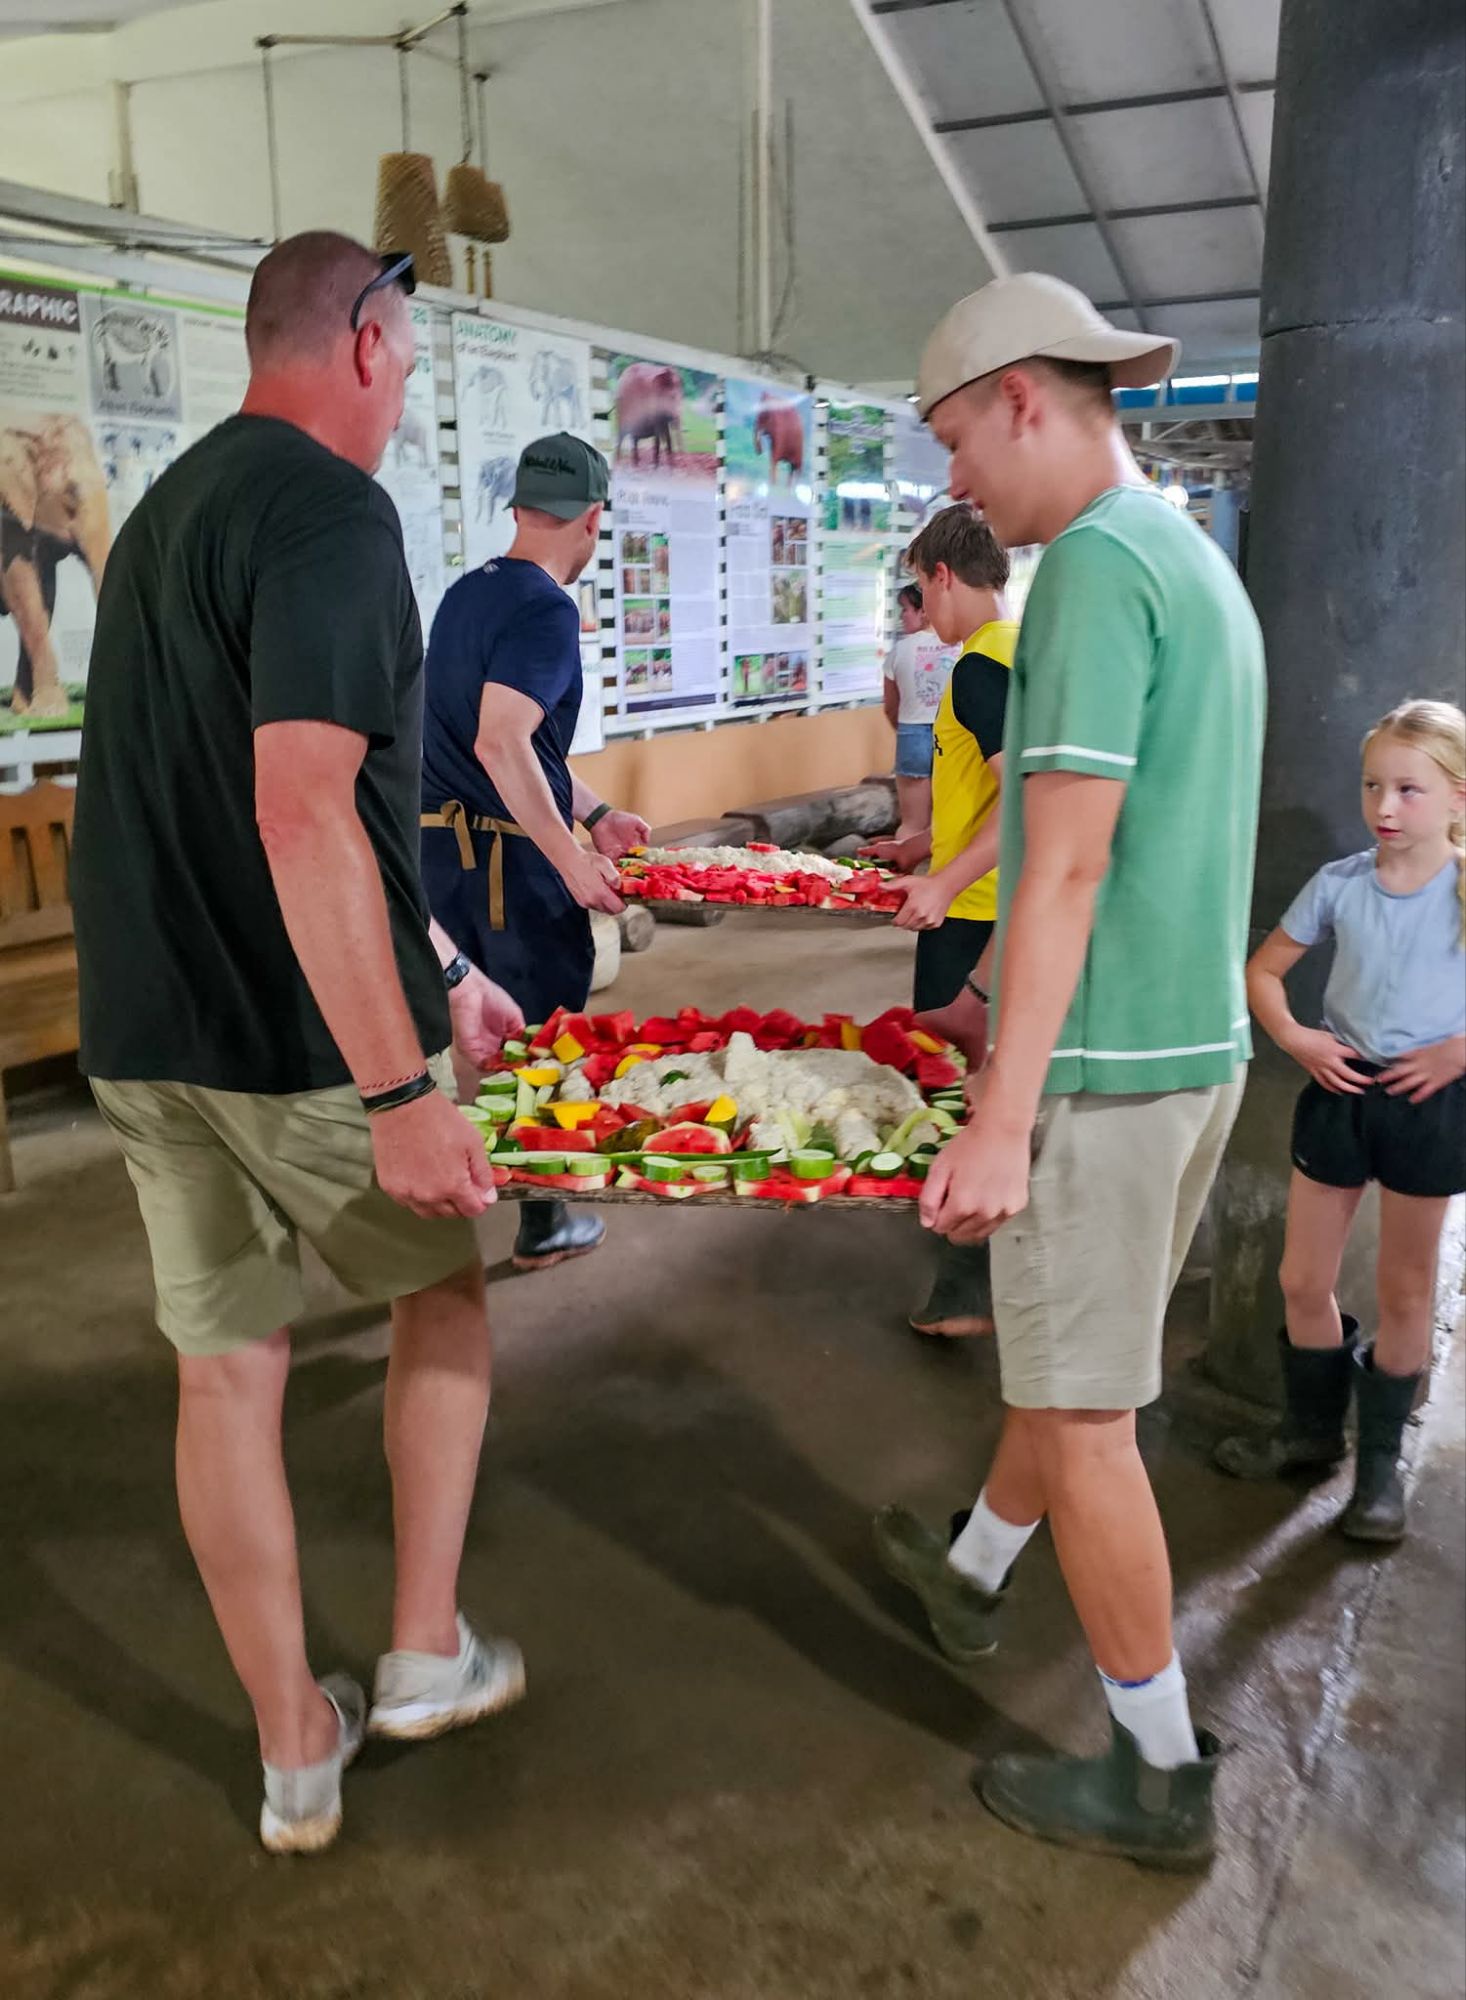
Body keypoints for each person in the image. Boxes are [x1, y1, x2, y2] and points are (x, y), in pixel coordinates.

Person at [72, 232, 528, 1856]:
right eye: (407, 365)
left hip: (144, 1029)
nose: (404, 400)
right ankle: (420, 1652)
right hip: (298, 1042)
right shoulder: (333, 512)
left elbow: (241, 795)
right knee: (445, 1292)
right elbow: (301, 810)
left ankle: (294, 1754)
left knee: (226, 1374)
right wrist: (403, 1088)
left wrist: (444, 963)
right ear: (363, 346)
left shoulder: (167, 516)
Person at [873, 271, 1265, 1868]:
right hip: (1186, 1049)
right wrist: (989, 1010)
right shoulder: (1187, 557)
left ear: (1024, 400)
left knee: (1089, 1420)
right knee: (1069, 1370)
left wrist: (1002, 1110)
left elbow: (1071, 863)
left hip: (1099, 1079)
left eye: (957, 439)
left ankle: (1155, 1774)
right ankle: (971, 1568)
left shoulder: (1097, 568)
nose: (955, 480)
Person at [1215, 699, 1465, 1540]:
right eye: (1372, 786)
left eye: (1409, 789)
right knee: (1300, 1279)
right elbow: (1263, 971)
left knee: (1405, 1288)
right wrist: (1296, 1037)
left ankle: (1380, 1470)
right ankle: (1311, 1433)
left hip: (1429, 1105)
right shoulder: (1341, 883)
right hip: (1341, 1090)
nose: (1385, 807)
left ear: (1458, 797)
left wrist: (1458, 1052)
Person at [420, 433, 649, 1273]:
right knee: (538, 1034)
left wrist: (598, 812)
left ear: (518, 508)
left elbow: (520, 745)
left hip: (439, 858)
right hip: (509, 871)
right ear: (593, 518)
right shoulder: (549, 609)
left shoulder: (466, 593)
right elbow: (501, 742)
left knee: (468, 1027)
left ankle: (467, 1186)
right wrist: (570, 860)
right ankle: (544, 1217)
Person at [864, 505, 1018, 1340]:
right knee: (973, 1062)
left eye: (921, 588)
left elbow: (1025, 799)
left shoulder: (979, 667)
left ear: (943, 576)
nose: (922, 609)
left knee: (964, 1069)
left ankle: (967, 1278)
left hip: (977, 910)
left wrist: (945, 881)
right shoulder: (1020, 649)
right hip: (988, 897)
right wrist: (920, 844)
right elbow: (991, 794)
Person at [880, 582, 946, 838]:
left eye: (906, 609)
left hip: (911, 733)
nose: (902, 616)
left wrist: (904, 728)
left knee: (912, 824)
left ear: (924, 611)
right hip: (952, 736)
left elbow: (890, 707)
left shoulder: (900, 651)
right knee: (948, 821)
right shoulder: (960, 645)